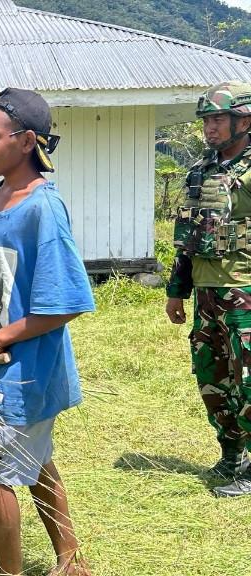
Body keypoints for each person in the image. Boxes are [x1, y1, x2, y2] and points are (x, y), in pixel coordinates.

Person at [0, 88, 95, 576]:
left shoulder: (43, 211)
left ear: (27, 140)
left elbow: (63, 306)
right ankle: (71, 559)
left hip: (25, 368)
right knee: (35, 461)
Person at [166, 81, 251, 498]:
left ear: (244, 120)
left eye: (218, 119)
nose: (210, 128)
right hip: (206, 295)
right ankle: (232, 453)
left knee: (247, 380)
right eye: (207, 120)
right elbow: (187, 237)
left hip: (245, 294)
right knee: (212, 376)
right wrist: (176, 290)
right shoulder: (200, 172)